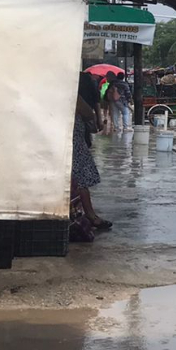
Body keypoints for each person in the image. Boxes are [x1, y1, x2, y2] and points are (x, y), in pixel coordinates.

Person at [73, 72, 111, 231]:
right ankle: (90, 215)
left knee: (76, 180)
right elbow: (88, 112)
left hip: (70, 141)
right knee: (79, 179)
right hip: (74, 143)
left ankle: (84, 213)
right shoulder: (72, 95)